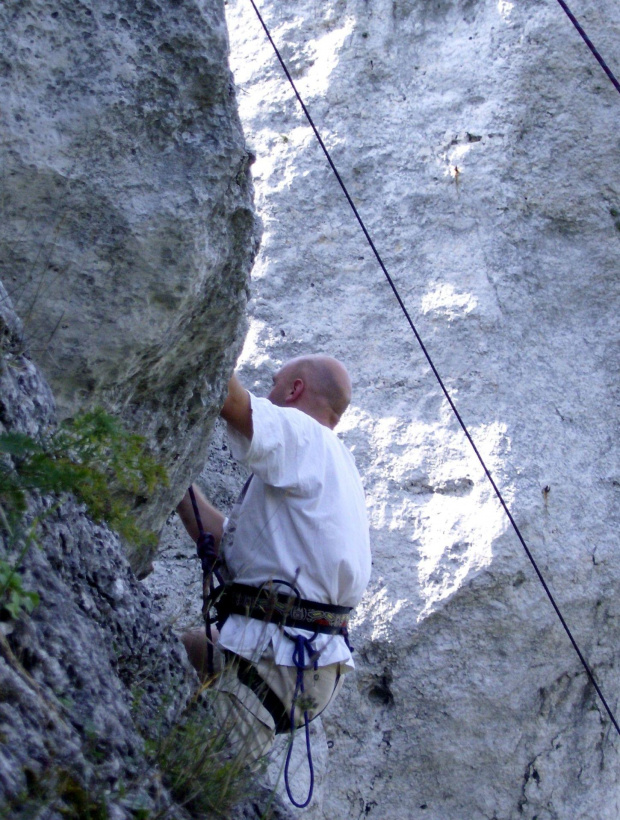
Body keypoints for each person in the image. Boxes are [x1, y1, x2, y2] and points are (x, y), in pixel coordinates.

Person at [176, 355, 371, 763]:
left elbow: (230, 400)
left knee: (181, 773)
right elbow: (224, 545)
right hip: (297, 664)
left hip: (275, 656)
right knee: (172, 651)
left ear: (294, 390)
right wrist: (174, 483)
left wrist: (202, 331)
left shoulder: (306, 437)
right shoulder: (335, 470)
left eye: (274, 383)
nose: (269, 392)